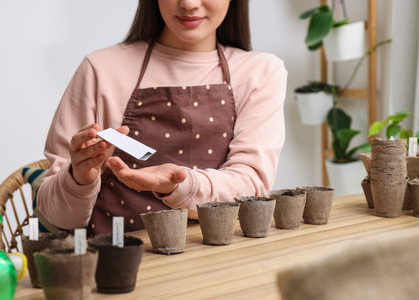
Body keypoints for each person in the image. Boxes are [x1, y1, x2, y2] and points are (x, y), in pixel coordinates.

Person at [37, 0, 287, 234]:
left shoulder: (260, 72)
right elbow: (56, 217)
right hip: (120, 267)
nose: (189, 4)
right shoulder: (101, 69)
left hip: (222, 264)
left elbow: (251, 188)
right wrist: (78, 180)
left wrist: (178, 184)